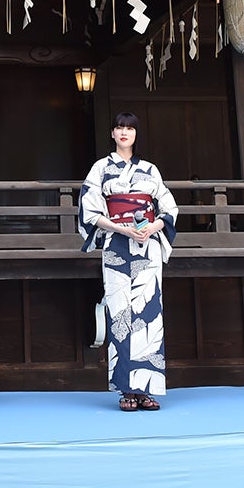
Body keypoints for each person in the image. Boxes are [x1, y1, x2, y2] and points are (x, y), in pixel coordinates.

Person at [79, 111, 179, 411]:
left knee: (148, 313)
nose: (124, 133)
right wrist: (120, 227)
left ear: (136, 134)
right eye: (120, 128)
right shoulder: (101, 168)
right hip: (116, 245)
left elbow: (169, 207)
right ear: (112, 133)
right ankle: (126, 389)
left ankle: (146, 388)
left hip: (146, 244)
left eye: (130, 129)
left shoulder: (150, 169)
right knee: (120, 313)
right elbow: (91, 211)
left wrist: (154, 226)